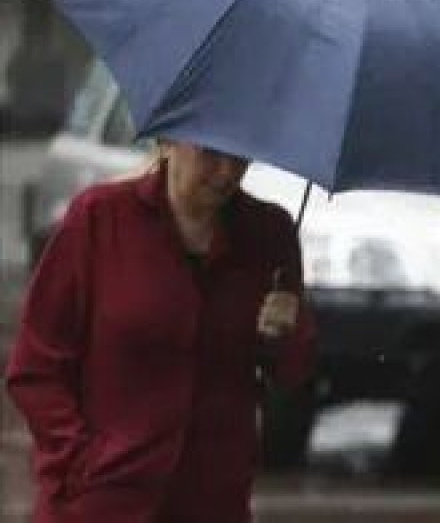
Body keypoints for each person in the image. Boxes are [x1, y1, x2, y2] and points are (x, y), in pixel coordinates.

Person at [5, 140, 316, 523]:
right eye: (211, 154)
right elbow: (36, 367)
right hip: (100, 501)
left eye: (240, 156)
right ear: (167, 142)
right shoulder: (99, 218)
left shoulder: (269, 234)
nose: (226, 173)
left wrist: (286, 332)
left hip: (212, 501)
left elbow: (292, 372)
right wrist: (78, 463)